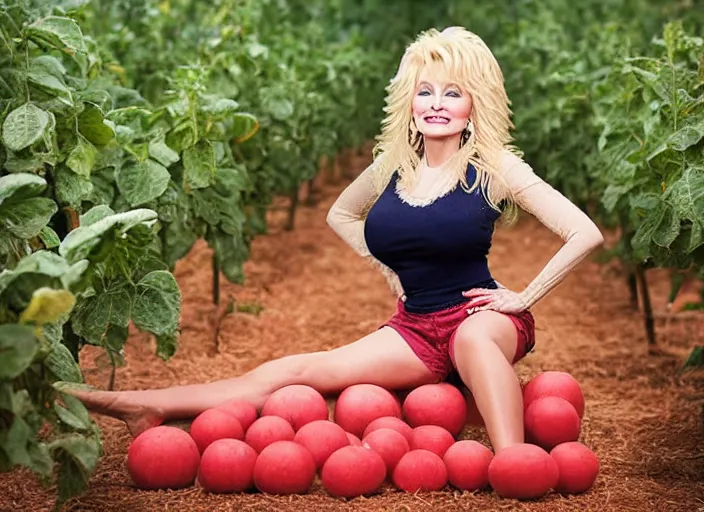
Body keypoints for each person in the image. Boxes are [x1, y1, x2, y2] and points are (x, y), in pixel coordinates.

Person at [64, 27, 604, 454]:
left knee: (471, 342)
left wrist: (521, 298)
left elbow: (585, 231)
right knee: (293, 370)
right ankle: (145, 406)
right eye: (425, 91)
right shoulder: (391, 168)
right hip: (415, 329)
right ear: (410, 103)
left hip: (482, 318)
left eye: (453, 93)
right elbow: (340, 214)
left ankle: (512, 461)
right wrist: (388, 268)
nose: (437, 103)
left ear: (474, 105)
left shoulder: (496, 167)